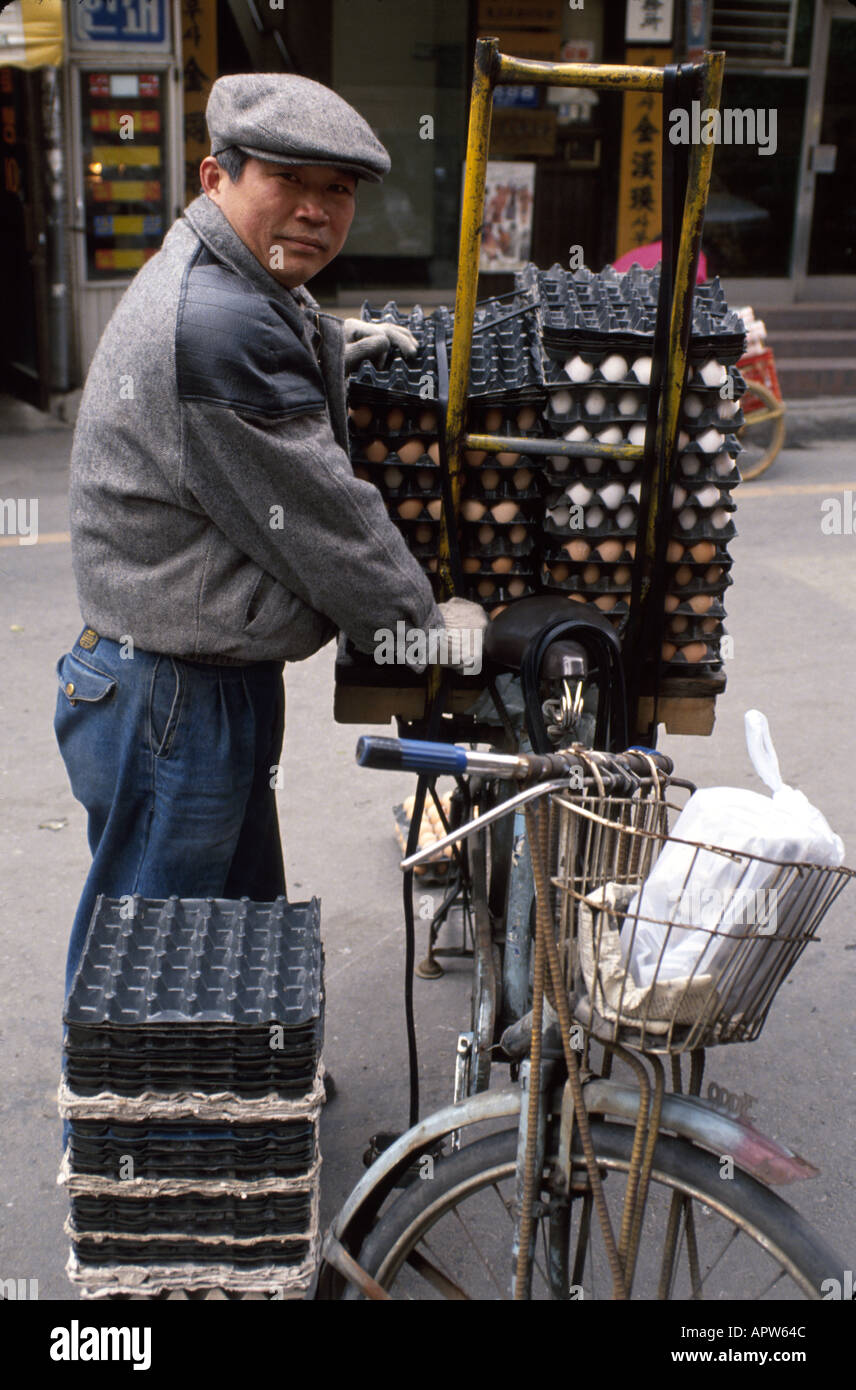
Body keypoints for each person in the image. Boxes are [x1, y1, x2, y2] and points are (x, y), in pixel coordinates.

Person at [54, 73, 485, 996]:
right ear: (218, 176)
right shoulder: (219, 325)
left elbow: (274, 333)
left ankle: (253, 1086)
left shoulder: (227, 274)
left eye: (338, 191)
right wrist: (424, 629)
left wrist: (334, 343)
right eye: (287, 180)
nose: (316, 212)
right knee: (149, 953)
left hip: (192, 678)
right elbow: (335, 529)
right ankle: (120, 1133)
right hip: (174, 694)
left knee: (235, 920)